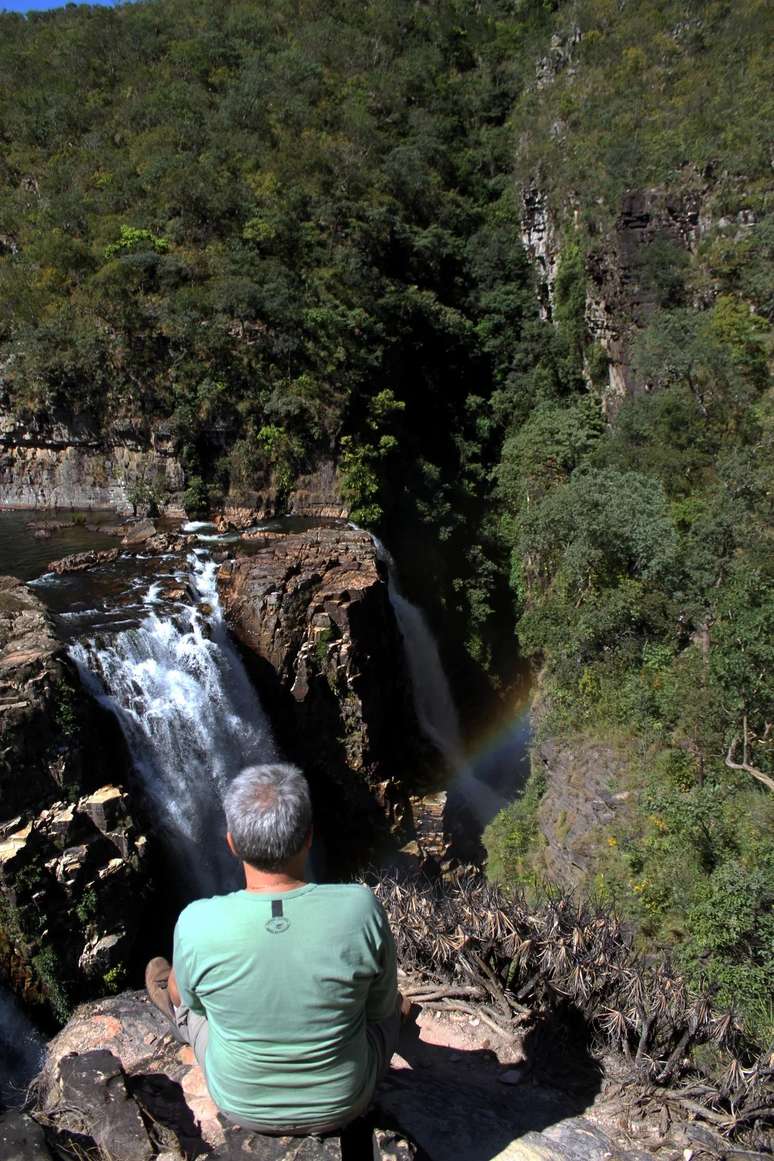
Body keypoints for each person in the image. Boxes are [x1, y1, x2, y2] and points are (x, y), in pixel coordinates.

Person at [145, 763, 400, 1135]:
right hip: (343, 1102)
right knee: (391, 1008)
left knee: (182, 999)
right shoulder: (361, 908)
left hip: (239, 1104)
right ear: (309, 837)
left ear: (231, 844)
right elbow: (377, 1009)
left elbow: (193, 1003)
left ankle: (174, 1002)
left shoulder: (195, 922)